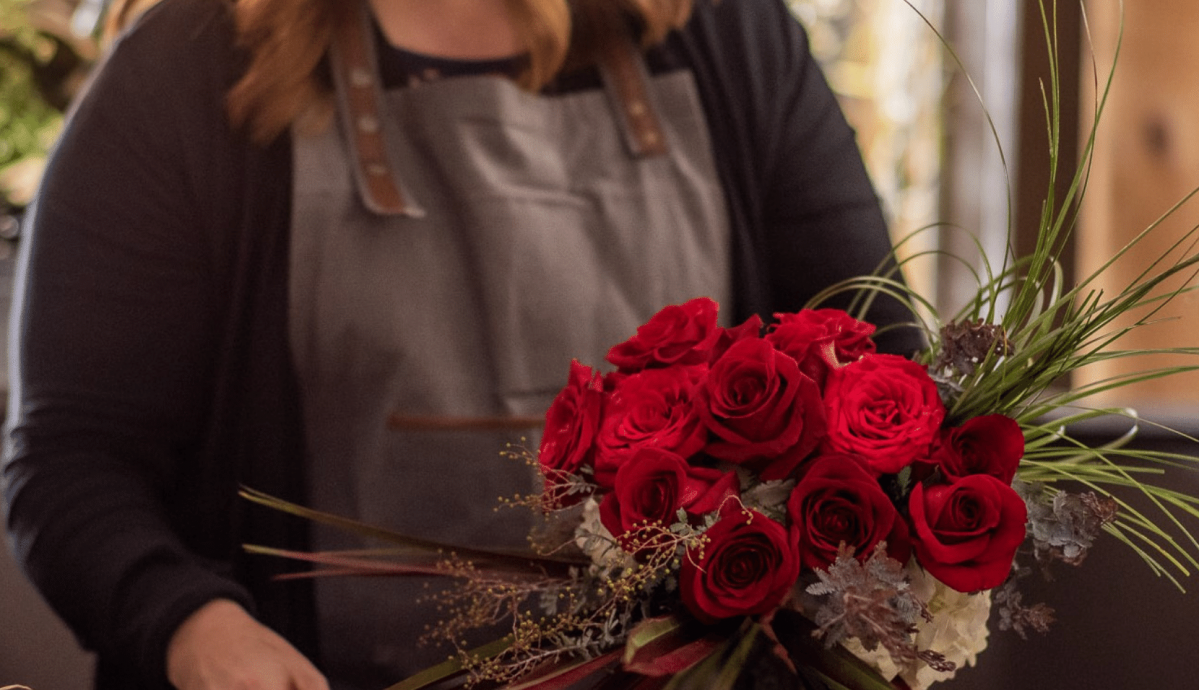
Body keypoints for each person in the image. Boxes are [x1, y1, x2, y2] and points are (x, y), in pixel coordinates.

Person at [2, 0, 921, 688]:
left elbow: (881, 372)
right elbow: (72, 458)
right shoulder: (188, 67)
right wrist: (190, 627)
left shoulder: (730, 38)